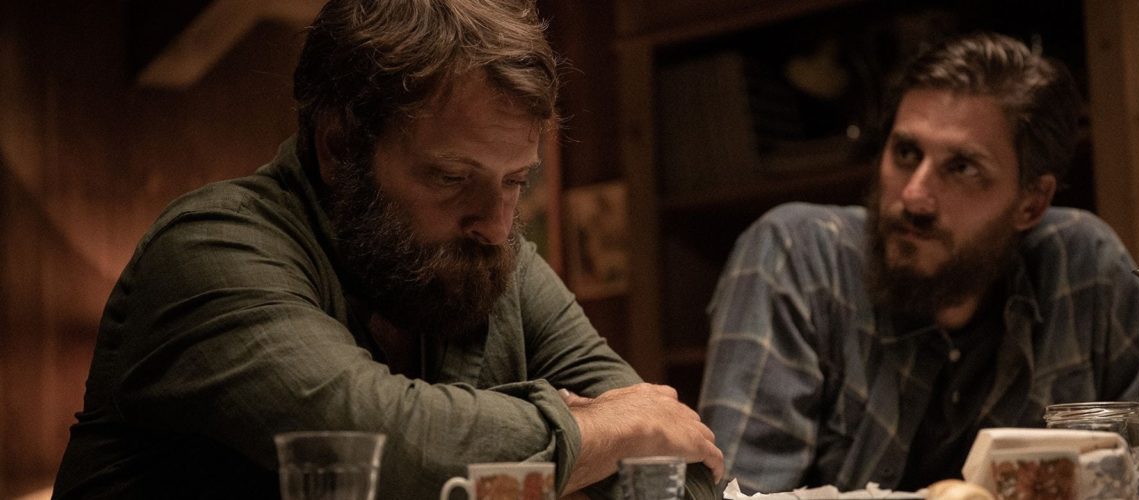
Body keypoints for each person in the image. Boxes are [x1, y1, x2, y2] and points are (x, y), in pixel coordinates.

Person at [52, 1, 721, 499]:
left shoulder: (498, 260)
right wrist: (593, 432)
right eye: (451, 178)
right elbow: (382, 451)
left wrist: (572, 439)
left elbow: (678, 466)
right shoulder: (210, 246)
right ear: (339, 146)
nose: (495, 224)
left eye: (515, 181)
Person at [698, 32, 1139, 493]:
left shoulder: (1083, 267)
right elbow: (741, 494)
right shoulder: (798, 257)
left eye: (962, 168)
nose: (914, 197)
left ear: (1031, 204)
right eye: (907, 153)